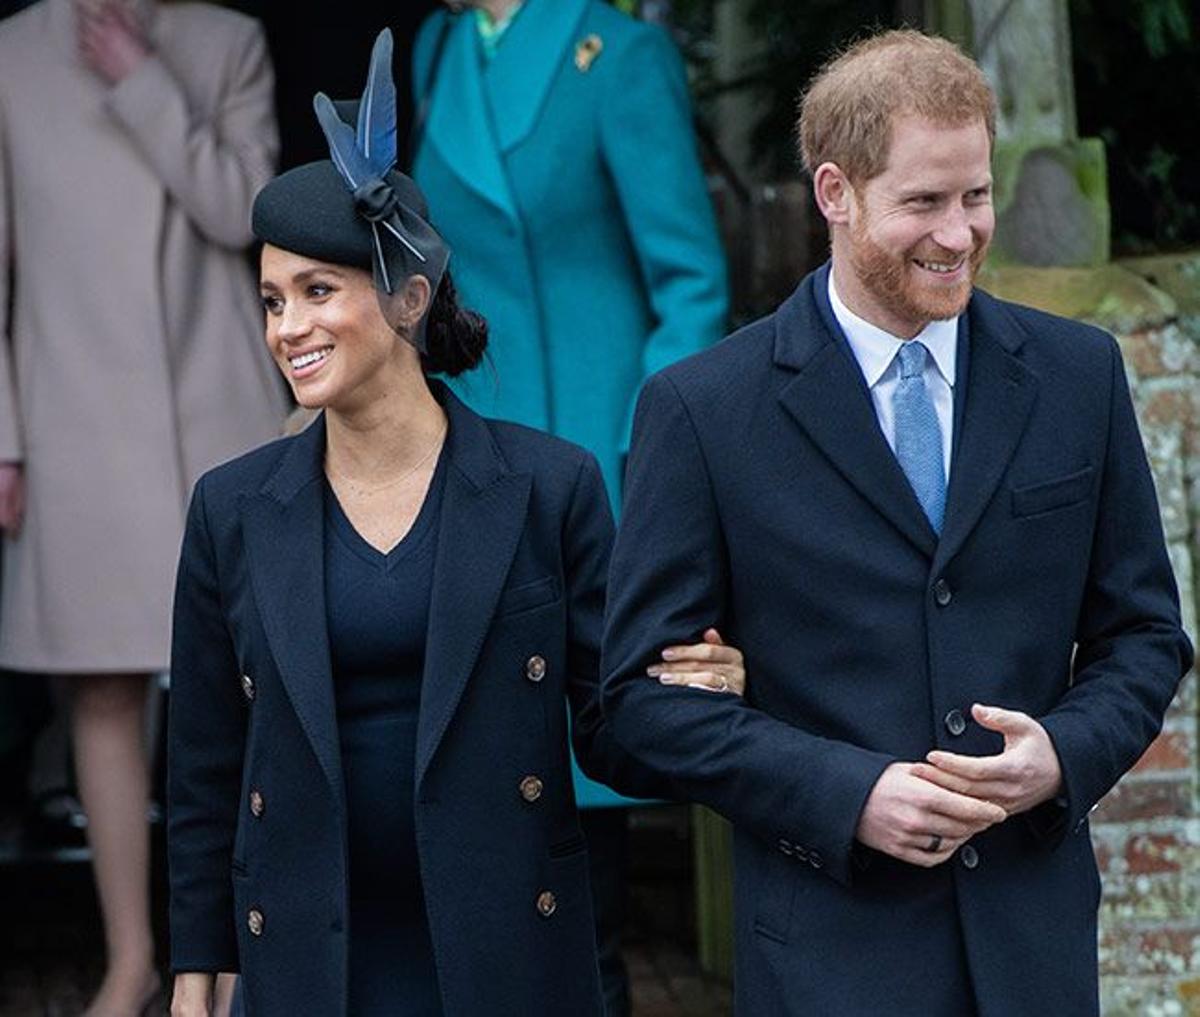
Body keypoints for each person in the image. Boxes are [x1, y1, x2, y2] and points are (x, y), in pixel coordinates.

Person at [600, 28, 1193, 1017]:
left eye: (976, 197)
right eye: (923, 202)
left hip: (1032, 944)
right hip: (829, 951)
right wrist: (844, 794)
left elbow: (1146, 633)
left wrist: (1062, 754)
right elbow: (637, 704)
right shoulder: (703, 410)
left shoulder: (1078, 376)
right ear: (836, 193)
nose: (959, 234)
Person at [167, 32, 743, 1017]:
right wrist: (195, 970)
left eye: (316, 292)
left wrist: (705, 694)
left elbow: (610, 727)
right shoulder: (233, 507)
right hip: (315, 958)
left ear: (408, 297)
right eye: (270, 301)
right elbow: (206, 764)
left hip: (506, 952)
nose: (285, 329)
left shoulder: (546, 486)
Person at [411, 5, 729, 1007]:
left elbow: (691, 282)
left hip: (599, 461)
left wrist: (656, 466)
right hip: (465, 455)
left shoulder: (619, 54)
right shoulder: (438, 47)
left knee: (580, 797)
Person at [0, 1, 284, 1013]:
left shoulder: (227, 39)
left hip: (220, 417)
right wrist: (4, 436)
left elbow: (251, 213)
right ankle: (131, 963)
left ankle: (238, 963)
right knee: (102, 691)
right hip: (67, 410)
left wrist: (139, 79)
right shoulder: (12, 52)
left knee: (259, 693)